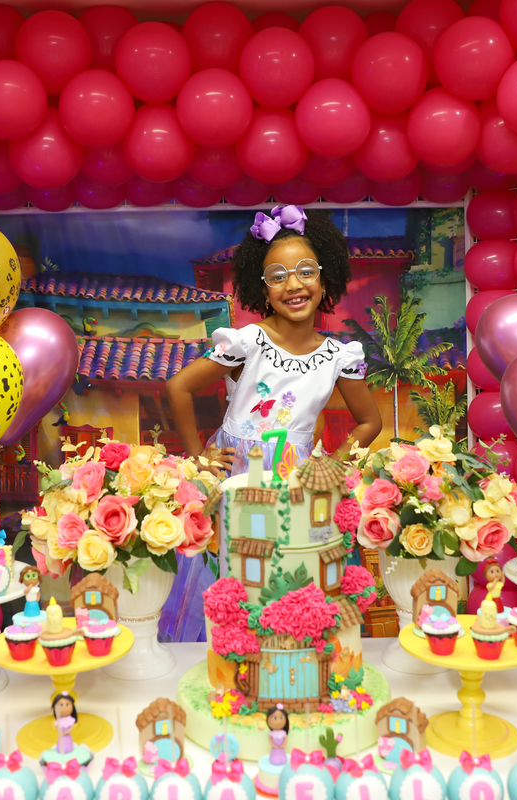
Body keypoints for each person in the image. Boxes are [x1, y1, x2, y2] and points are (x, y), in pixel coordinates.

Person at [162, 206, 382, 641]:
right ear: (261, 289)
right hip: (237, 474)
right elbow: (178, 388)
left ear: (325, 278)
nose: (293, 284)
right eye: (277, 276)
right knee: (235, 570)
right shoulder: (249, 341)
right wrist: (198, 459)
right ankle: (233, 664)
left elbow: (369, 422)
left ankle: (287, 661)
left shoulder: (340, 356)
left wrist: (332, 466)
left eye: (305, 271)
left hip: (297, 478)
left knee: (289, 571)